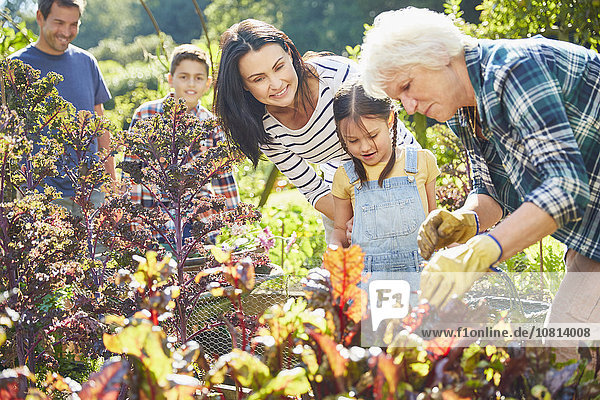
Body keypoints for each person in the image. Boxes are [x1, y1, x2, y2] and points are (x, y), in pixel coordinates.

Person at [359, 7, 600, 362]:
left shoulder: (515, 71)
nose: (408, 108)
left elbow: (565, 188)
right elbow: (492, 190)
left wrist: (478, 252)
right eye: (399, 97)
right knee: (567, 353)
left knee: (566, 354)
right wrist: (467, 221)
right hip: (591, 236)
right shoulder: (465, 106)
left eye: (408, 87)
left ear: (440, 56)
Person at [214, 19, 418, 242]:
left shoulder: (338, 77)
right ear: (243, 85)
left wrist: (389, 206)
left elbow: (389, 132)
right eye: (259, 79)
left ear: (289, 53)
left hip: (398, 167)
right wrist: (358, 221)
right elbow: (312, 188)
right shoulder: (262, 125)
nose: (276, 83)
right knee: (349, 268)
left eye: (279, 67)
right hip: (342, 193)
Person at [330, 81, 439, 304]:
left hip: (422, 278)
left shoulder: (421, 162)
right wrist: (333, 253)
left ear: (389, 120)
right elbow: (341, 230)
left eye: (372, 136)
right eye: (353, 141)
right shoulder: (345, 176)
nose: (365, 147)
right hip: (368, 286)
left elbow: (433, 218)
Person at [125, 44, 239, 244]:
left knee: (196, 273)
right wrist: (132, 223)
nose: (191, 84)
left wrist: (235, 223)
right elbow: (131, 170)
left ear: (208, 83)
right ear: (170, 79)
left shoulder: (211, 124)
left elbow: (223, 178)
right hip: (153, 221)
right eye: (184, 76)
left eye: (198, 78)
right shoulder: (146, 114)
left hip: (195, 223)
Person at [10, 0, 114, 210]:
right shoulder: (15, 67)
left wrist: (111, 186)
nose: (66, 32)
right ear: (40, 17)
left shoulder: (87, 62)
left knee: (101, 245)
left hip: (90, 193)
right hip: (40, 196)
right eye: (59, 23)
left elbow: (101, 128)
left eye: (73, 24)